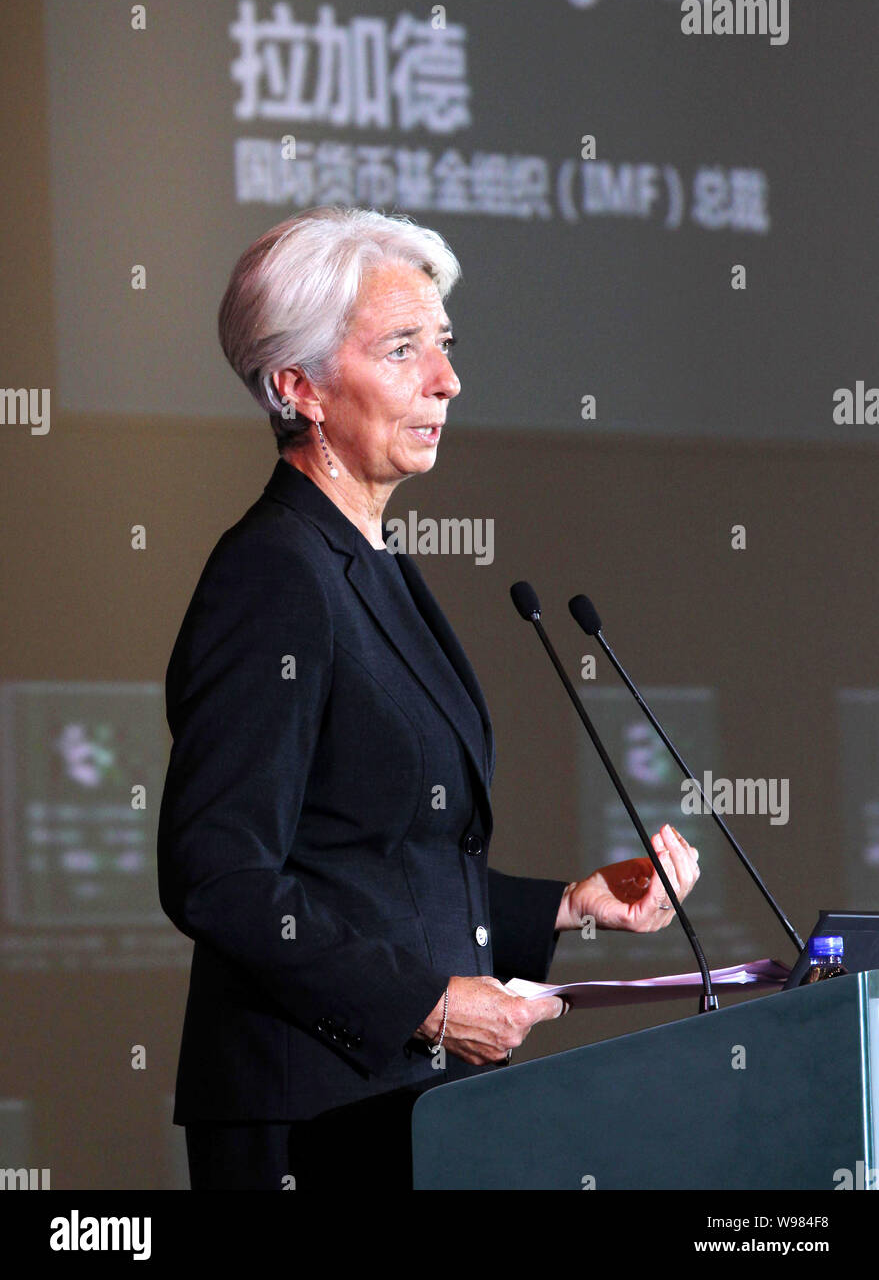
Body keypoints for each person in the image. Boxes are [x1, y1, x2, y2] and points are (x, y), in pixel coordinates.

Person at [157, 206, 700, 1191]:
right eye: (404, 349)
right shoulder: (275, 575)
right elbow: (219, 874)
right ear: (298, 387)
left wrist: (574, 904)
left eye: (443, 347)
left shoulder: (367, 565)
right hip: (309, 1118)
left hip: (394, 1104)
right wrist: (428, 1002)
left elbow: (364, 858)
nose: (446, 381)